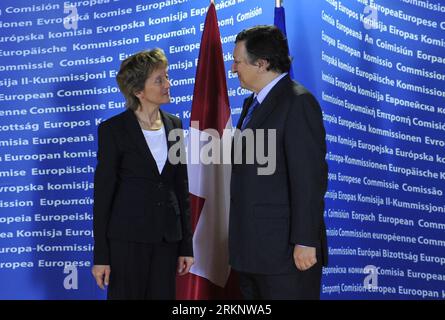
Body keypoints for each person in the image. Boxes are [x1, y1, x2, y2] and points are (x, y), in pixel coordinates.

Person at [229, 25, 328, 299]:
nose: (233, 68)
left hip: (285, 255)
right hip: (251, 252)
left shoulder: (298, 102)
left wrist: (306, 241)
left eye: (237, 61)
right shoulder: (252, 104)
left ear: (261, 64)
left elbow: (309, 178)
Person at [91, 48, 194, 299]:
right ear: (138, 91)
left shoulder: (175, 125)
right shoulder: (113, 130)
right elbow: (103, 196)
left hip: (167, 240)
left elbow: (181, 187)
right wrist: (101, 257)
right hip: (127, 241)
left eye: (167, 77)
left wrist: (186, 247)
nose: (168, 84)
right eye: (159, 80)